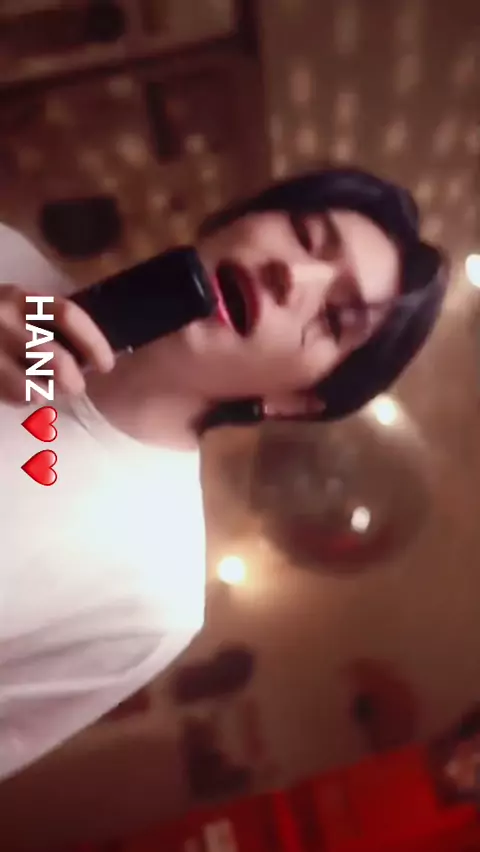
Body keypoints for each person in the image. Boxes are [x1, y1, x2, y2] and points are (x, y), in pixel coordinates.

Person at [0, 166, 447, 781]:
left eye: (336, 318)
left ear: (297, 401)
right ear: (232, 221)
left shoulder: (151, 593)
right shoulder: (8, 257)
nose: (292, 275)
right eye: (306, 235)